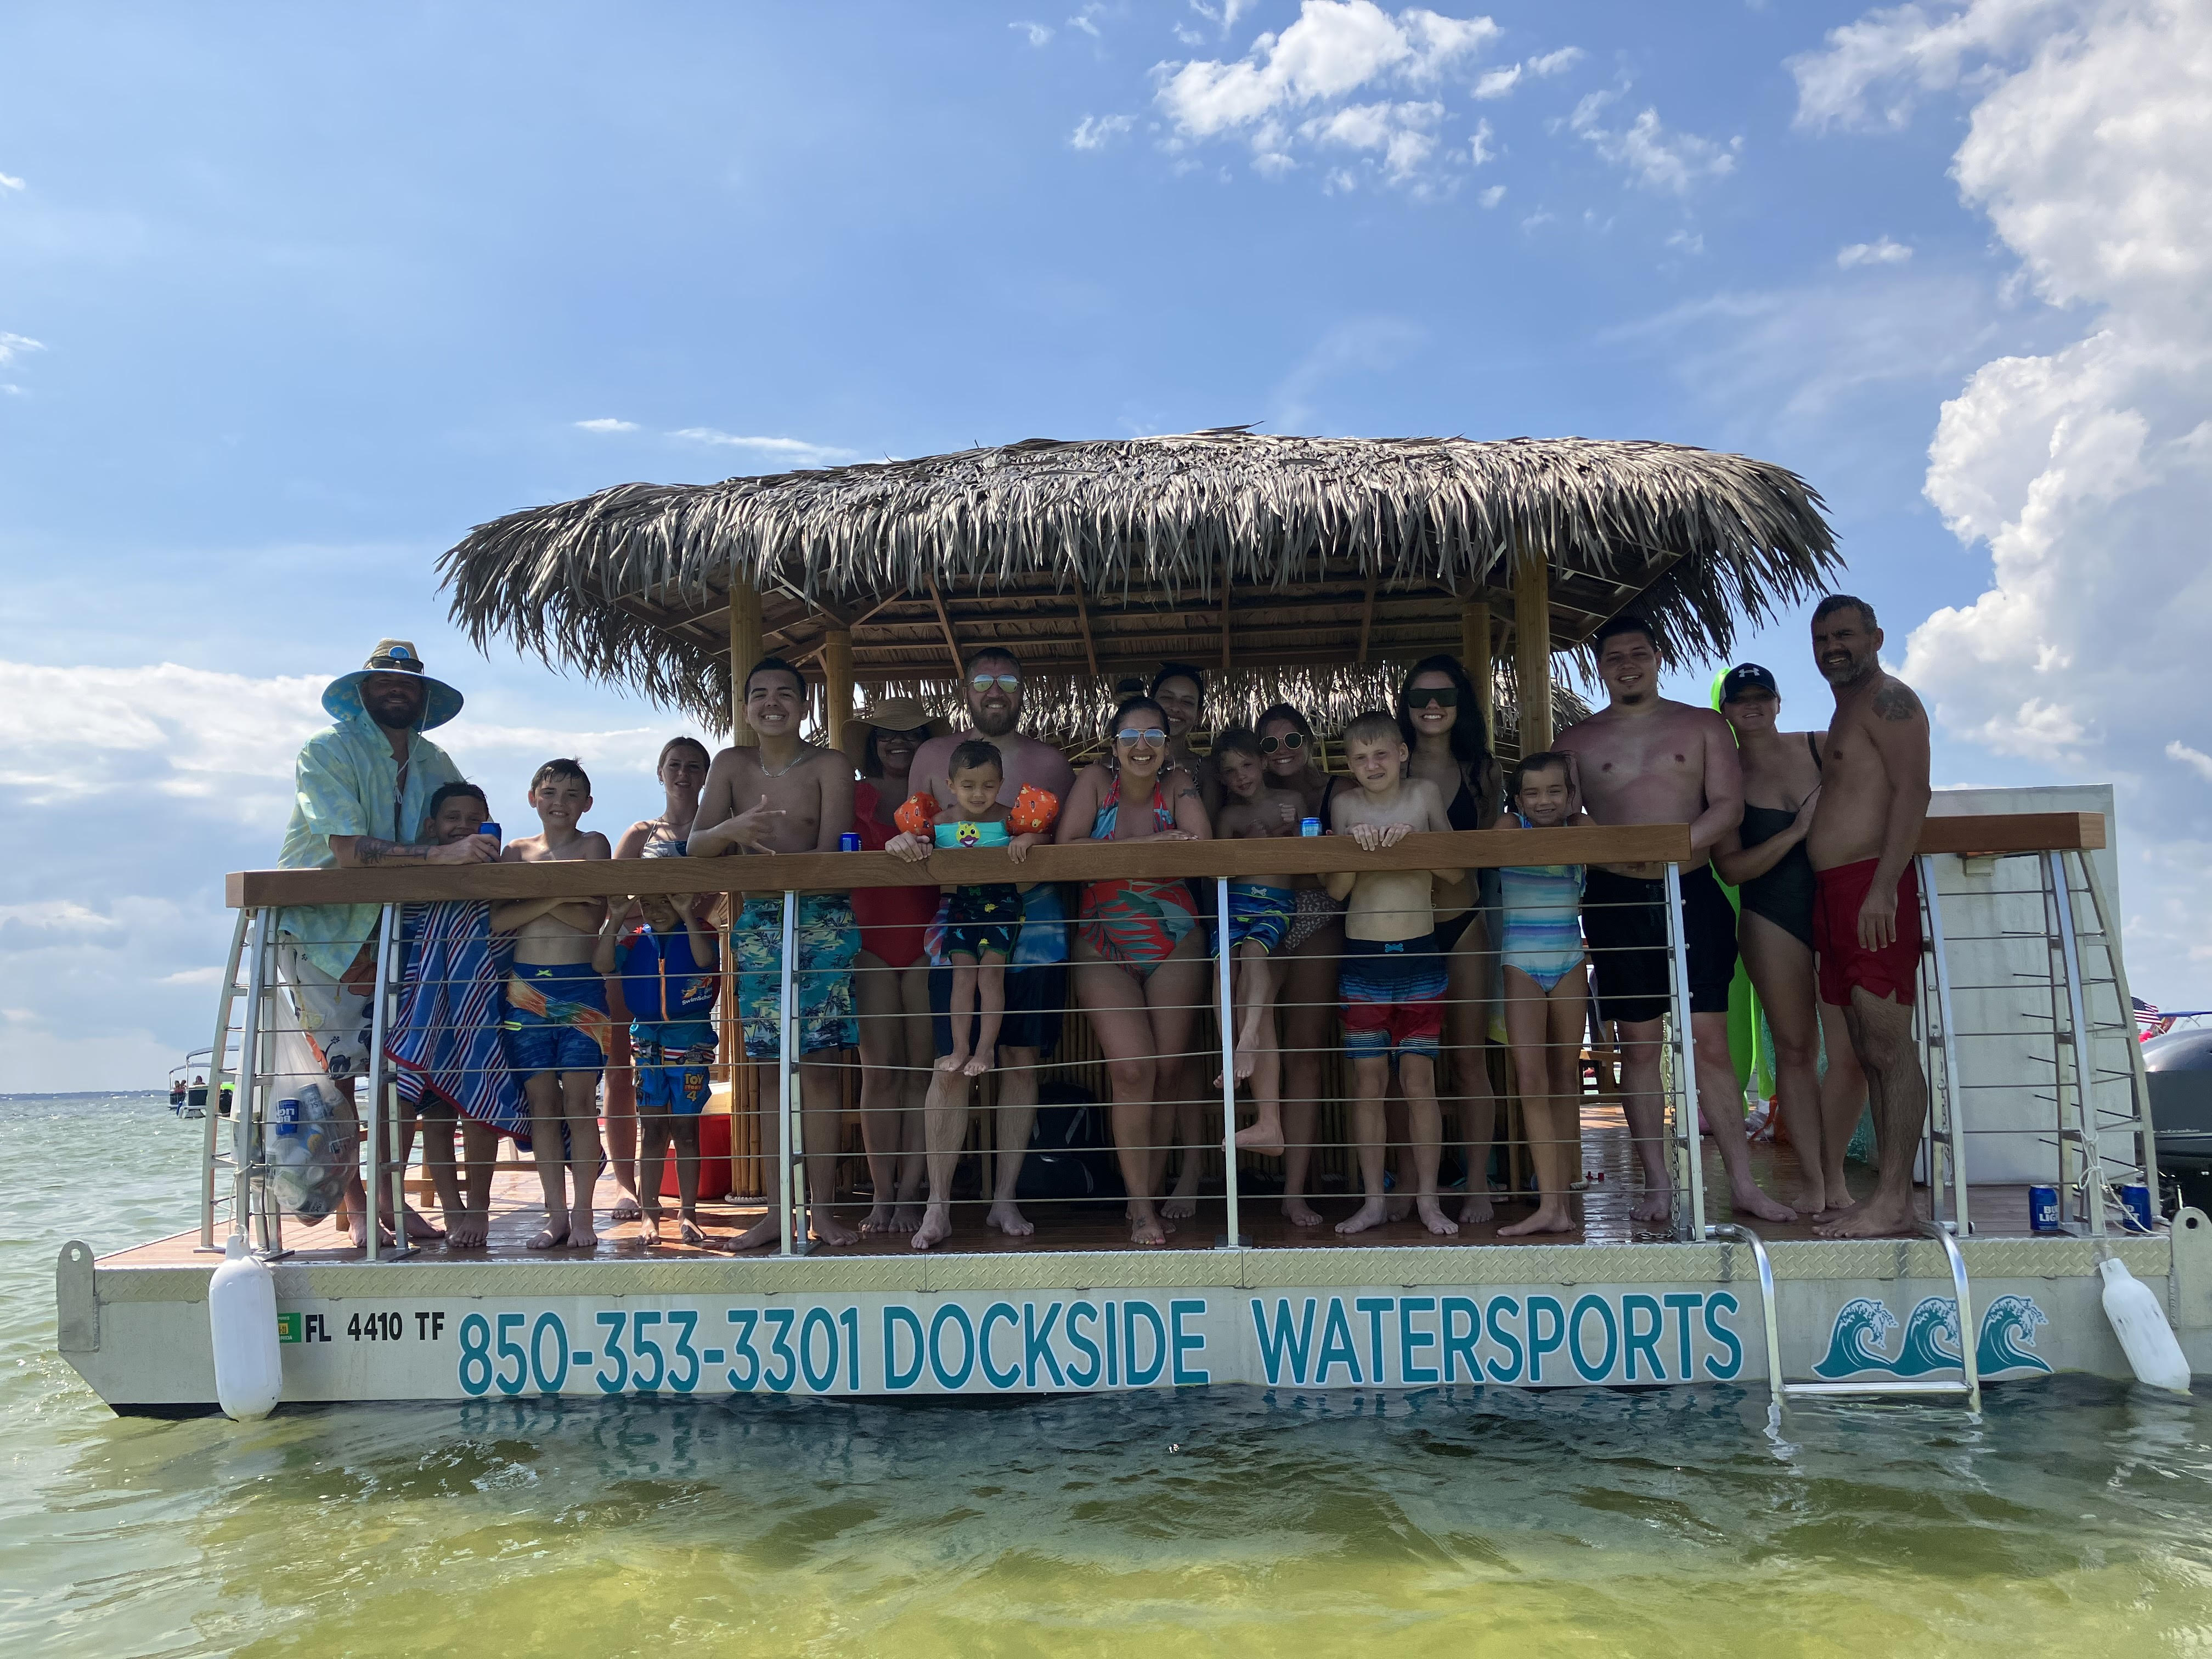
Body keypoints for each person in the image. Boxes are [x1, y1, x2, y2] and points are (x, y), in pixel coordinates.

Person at [1555, 614, 1795, 1227]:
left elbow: (1728, 805)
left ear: (1657, 658)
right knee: (1638, 1043)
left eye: (1638, 653)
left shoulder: (1703, 725)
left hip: (1692, 888)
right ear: (1600, 668)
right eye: (1614, 657)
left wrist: (1676, 844)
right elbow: (1564, 812)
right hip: (1616, 898)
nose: (1627, 665)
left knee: (1710, 1041)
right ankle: (1657, 1184)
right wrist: (1615, 851)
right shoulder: (1576, 742)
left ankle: (1743, 1182)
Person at [274, 639, 489, 1249]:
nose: (397, 689)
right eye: (384, 680)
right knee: (337, 1074)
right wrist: (442, 854)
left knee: (404, 1071)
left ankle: (392, 1197)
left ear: (422, 696)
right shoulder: (326, 749)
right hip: (326, 934)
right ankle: (360, 1204)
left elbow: (462, 824)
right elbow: (347, 851)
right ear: (362, 692)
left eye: (408, 682)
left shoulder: (435, 760)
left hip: (405, 932)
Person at [884, 646, 1076, 1251]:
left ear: (1023, 690)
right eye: (984, 681)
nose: (996, 691)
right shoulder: (932, 756)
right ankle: (938, 1207)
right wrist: (898, 844)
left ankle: (1005, 1198)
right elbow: (918, 834)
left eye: (1008, 681)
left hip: (1036, 925)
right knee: (949, 1066)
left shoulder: (1051, 761)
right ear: (965, 689)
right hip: (956, 923)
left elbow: (1067, 845)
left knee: (1020, 1061)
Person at [689, 656, 862, 1249]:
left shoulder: (831, 764)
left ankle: (822, 1210)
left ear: (803, 704)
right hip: (759, 921)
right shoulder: (731, 765)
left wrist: (749, 853)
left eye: (784, 693)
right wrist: (730, 832)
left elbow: (829, 856)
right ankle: (775, 1212)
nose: (771, 703)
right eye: (758, 693)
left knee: (818, 1068)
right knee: (765, 1072)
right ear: (744, 707)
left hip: (821, 921)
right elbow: (697, 848)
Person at [1712, 663, 1867, 1216]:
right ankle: (1810, 1179)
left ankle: (1832, 1171)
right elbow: (1732, 869)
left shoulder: (1821, 748)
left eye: (1762, 697)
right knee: (1797, 1053)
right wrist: (1796, 833)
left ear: (1778, 702)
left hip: (1836, 905)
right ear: (1726, 711)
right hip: (1771, 913)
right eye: (1740, 700)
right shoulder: (1725, 775)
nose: (1752, 707)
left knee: (1853, 1055)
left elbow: (1882, 796)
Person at [1060, 695, 1211, 1245]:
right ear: (1113, 744)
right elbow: (1067, 851)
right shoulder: (1095, 783)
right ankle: (1142, 1205)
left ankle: (1148, 1187)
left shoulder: (1180, 784)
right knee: (1131, 1070)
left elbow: (1202, 847)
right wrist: (1150, 846)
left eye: (1154, 735)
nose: (1142, 746)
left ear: (1168, 745)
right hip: (1102, 940)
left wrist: (1181, 803)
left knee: (1168, 1071)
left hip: (1175, 939)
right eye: (1130, 736)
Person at [1804, 596, 1933, 1238]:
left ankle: (1894, 1199)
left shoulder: (1892, 699)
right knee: (1864, 1045)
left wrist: (1884, 886)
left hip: (1871, 888)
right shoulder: (1846, 704)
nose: (1833, 646)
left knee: (1888, 1042)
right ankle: (1889, 1196)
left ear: (1876, 636)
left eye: (1845, 635)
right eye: (1823, 636)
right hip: (1835, 892)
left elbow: (1915, 790)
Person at [1325, 710, 1461, 1237]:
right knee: (1369, 1083)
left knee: (1419, 1081)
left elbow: (1454, 871)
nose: (1372, 765)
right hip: (1362, 959)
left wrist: (1415, 845)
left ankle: (1428, 1200)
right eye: (1360, 758)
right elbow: (1337, 889)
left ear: (1402, 753)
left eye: (1381, 754)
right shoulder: (1343, 804)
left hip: (1421, 956)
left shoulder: (1425, 794)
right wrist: (1357, 849)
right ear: (1349, 765)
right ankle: (1375, 1200)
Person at [391, 780, 531, 1249]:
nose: (464, 828)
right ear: (432, 827)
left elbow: (504, 926)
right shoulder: (419, 875)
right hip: (427, 1009)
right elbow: (409, 935)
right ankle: (452, 1208)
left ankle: (478, 1208)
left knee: (478, 1101)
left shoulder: (500, 873)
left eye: (475, 820)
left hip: (483, 1007)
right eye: (454, 819)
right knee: (437, 1110)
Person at [1396, 653, 1505, 1224]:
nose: (1431, 706)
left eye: (1443, 696)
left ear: (1461, 705)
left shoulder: (1482, 771)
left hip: (1464, 923)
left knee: (1467, 1060)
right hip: (1403, 928)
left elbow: (1492, 853)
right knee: (1405, 1066)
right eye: (1419, 697)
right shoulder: (1387, 763)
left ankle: (1479, 1181)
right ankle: (1410, 1183)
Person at [493, 759, 612, 1250]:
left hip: (580, 991)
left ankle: (584, 1213)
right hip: (526, 995)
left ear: (586, 803)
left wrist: (535, 895)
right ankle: (556, 1213)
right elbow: (500, 921)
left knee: (581, 1105)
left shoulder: (594, 844)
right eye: (549, 792)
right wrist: (557, 895)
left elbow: (591, 921)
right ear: (532, 797)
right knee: (543, 1106)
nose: (558, 801)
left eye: (570, 794)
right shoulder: (515, 852)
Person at [601, 736, 716, 1224]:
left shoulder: (715, 831)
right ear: (659, 771)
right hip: (641, 955)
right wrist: (633, 926)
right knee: (620, 1071)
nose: (683, 773)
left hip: (689, 956)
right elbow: (612, 892)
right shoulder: (641, 831)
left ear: (706, 774)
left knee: (681, 1118)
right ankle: (630, 1189)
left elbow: (719, 892)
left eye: (694, 765)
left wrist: (687, 918)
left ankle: (681, 1208)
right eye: (674, 764)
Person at [845, 699, 944, 1234]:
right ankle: (882, 1197)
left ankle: (911, 1196)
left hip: (928, 942)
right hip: (870, 945)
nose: (898, 742)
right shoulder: (853, 796)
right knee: (879, 1072)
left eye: (910, 734)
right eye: (886, 734)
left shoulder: (939, 798)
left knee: (920, 1073)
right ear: (872, 742)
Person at [1491, 753, 1591, 1238]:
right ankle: (1549, 1203)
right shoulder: (1510, 824)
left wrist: (1581, 818)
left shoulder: (1583, 824)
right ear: (1518, 798)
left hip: (1570, 959)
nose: (1543, 800)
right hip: (1521, 962)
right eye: (1533, 792)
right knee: (1530, 1078)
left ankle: (1565, 1199)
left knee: (1565, 1077)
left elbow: (1605, 846)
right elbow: (1496, 847)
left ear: (1570, 795)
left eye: (1555, 791)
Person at [1257, 702, 1344, 1228]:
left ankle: (1294, 1191)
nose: (1282, 752)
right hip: (1261, 915)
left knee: (1305, 1055)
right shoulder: (1247, 791)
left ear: (1310, 742)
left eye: (1292, 741)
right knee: (1247, 1042)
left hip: (1317, 915)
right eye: (1269, 745)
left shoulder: (1338, 790)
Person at [595, 891, 721, 1245]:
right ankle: (650, 1213)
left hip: (691, 1039)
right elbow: (603, 964)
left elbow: (703, 959)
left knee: (686, 1131)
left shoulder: (703, 932)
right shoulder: (635, 940)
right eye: (649, 904)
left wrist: (686, 912)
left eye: (666, 902)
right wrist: (616, 919)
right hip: (648, 1042)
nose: (656, 911)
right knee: (651, 1130)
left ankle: (688, 1212)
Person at [932, 741, 1049, 1076]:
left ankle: (986, 1051)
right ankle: (960, 1049)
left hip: (1003, 905)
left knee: (991, 975)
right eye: (968, 786)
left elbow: (1045, 837)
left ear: (1001, 784)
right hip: (961, 906)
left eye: (988, 785)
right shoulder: (940, 823)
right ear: (951, 785)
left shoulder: (1009, 819)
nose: (979, 793)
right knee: (963, 976)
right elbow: (916, 842)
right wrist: (913, 843)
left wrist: (1028, 839)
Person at [1210, 726, 1301, 1154]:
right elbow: (1221, 864)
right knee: (1223, 966)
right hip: (1236, 904)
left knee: (1251, 953)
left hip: (1274, 904)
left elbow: (1309, 846)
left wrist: (1285, 834)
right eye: (1230, 772)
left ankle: (1247, 1040)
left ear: (1263, 762)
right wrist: (1251, 843)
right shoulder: (1229, 817)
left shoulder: (1293, 802)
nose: (1241, 776)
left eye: (1247, 765)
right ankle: (1231, 1051)